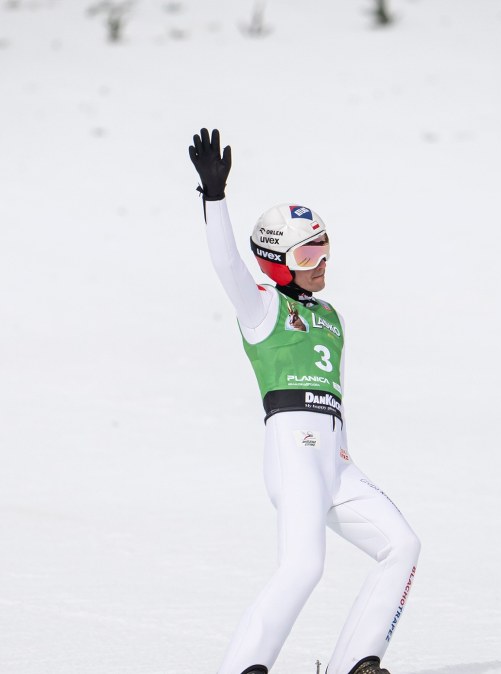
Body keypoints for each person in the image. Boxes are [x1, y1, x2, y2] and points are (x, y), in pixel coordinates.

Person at [188, 128, 421, 674]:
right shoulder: (260, 309)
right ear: (276, 260)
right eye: (309, 250)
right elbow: (226, 267)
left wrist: (340, 457)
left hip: (336, 462)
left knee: (402, 545)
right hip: (293, 450)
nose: (323, 259)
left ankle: (357, 664)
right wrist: (214, 198)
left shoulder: (331, 316)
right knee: (302, 566)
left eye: (325, 246)